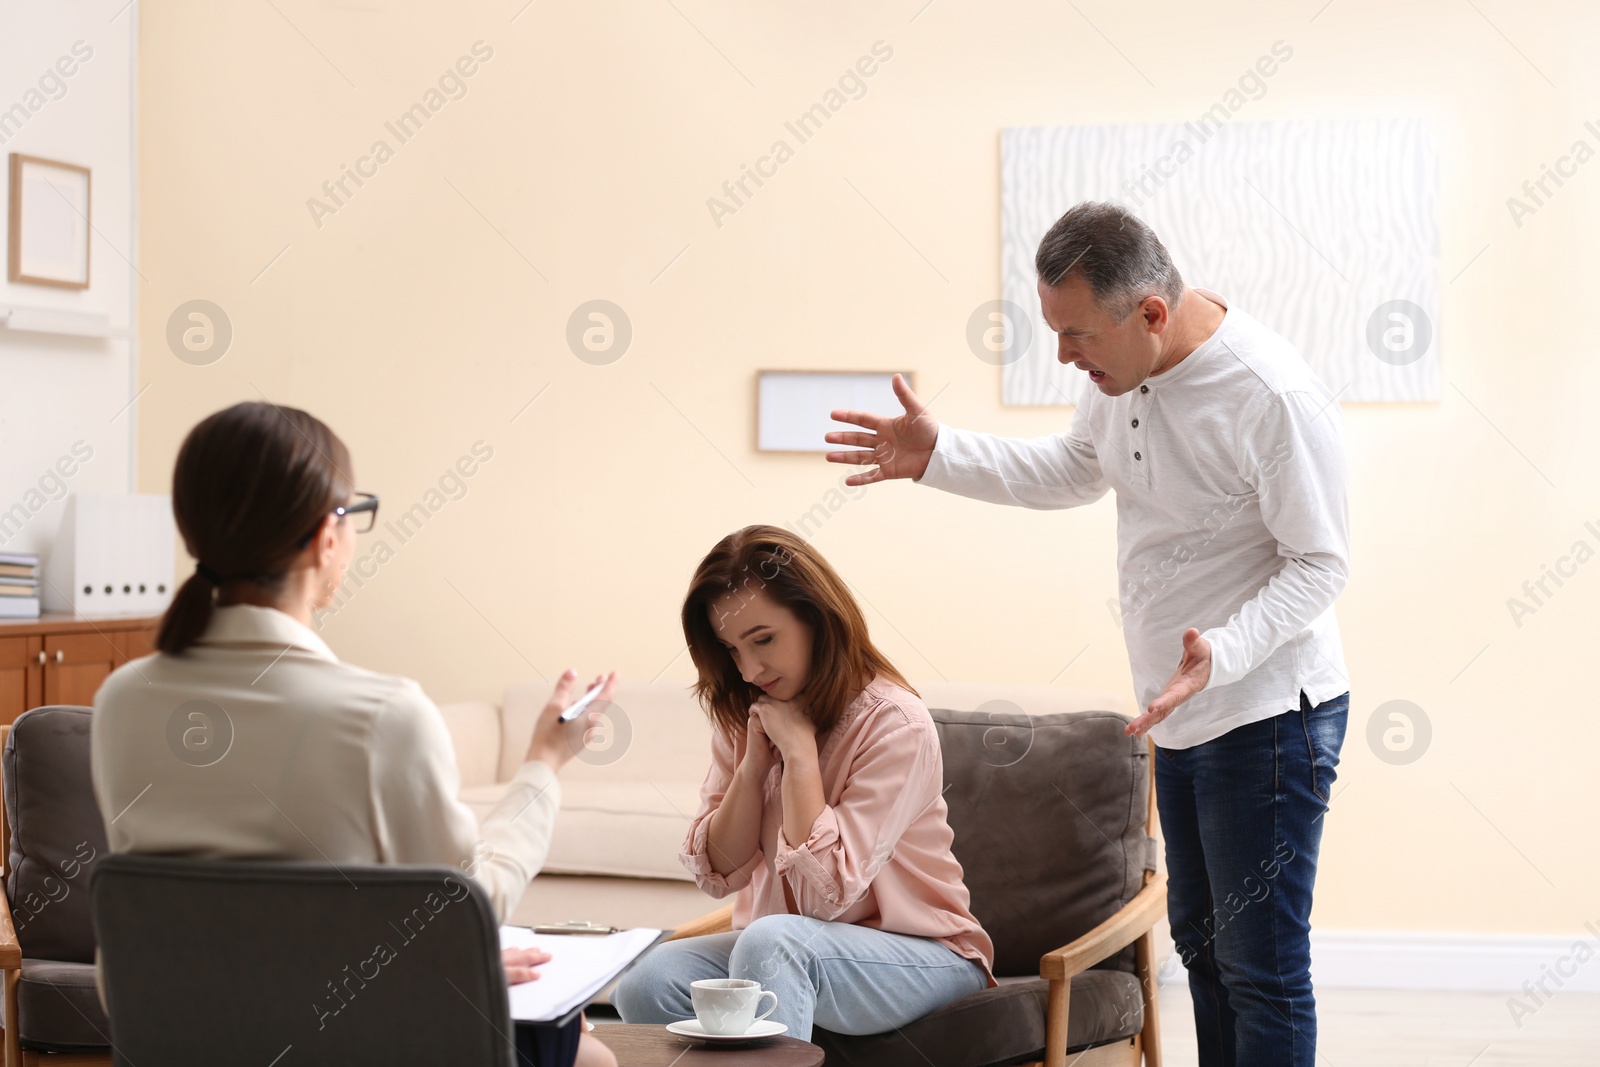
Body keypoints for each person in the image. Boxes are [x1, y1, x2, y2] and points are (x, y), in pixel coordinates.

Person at [824, 201, 1352, 1067]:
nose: (1065, 356)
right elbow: (1077, 467)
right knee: (1206, 953)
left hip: (1264, 713)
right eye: (1056, 332)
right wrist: (938, 453)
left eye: (1077, 337)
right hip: (1177, 709)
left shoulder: (1271, 397)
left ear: (1149, 311)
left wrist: (1223, 653)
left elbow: (1321, 563)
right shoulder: (1122, 371)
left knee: (1261, 968)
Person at [90, 401, 617, 1067]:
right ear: (324, 535)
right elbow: (469, 905)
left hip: (182, 1046)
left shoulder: (120, 702)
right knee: (592, 1054)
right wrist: (543, 761)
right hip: (361, 1046)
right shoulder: (381, 716)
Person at [613, 525, 994, 1041]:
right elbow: (719, 873)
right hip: (784, 947)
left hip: (923, 955)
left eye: (763, 640)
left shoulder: (896, 725)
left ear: (816, 618)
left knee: (770, 944)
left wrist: (799, 754)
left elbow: (825, 899)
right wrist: (752, 767)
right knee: (647, 980)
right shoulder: (744, 713)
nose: (749, 670)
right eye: (730, 650)